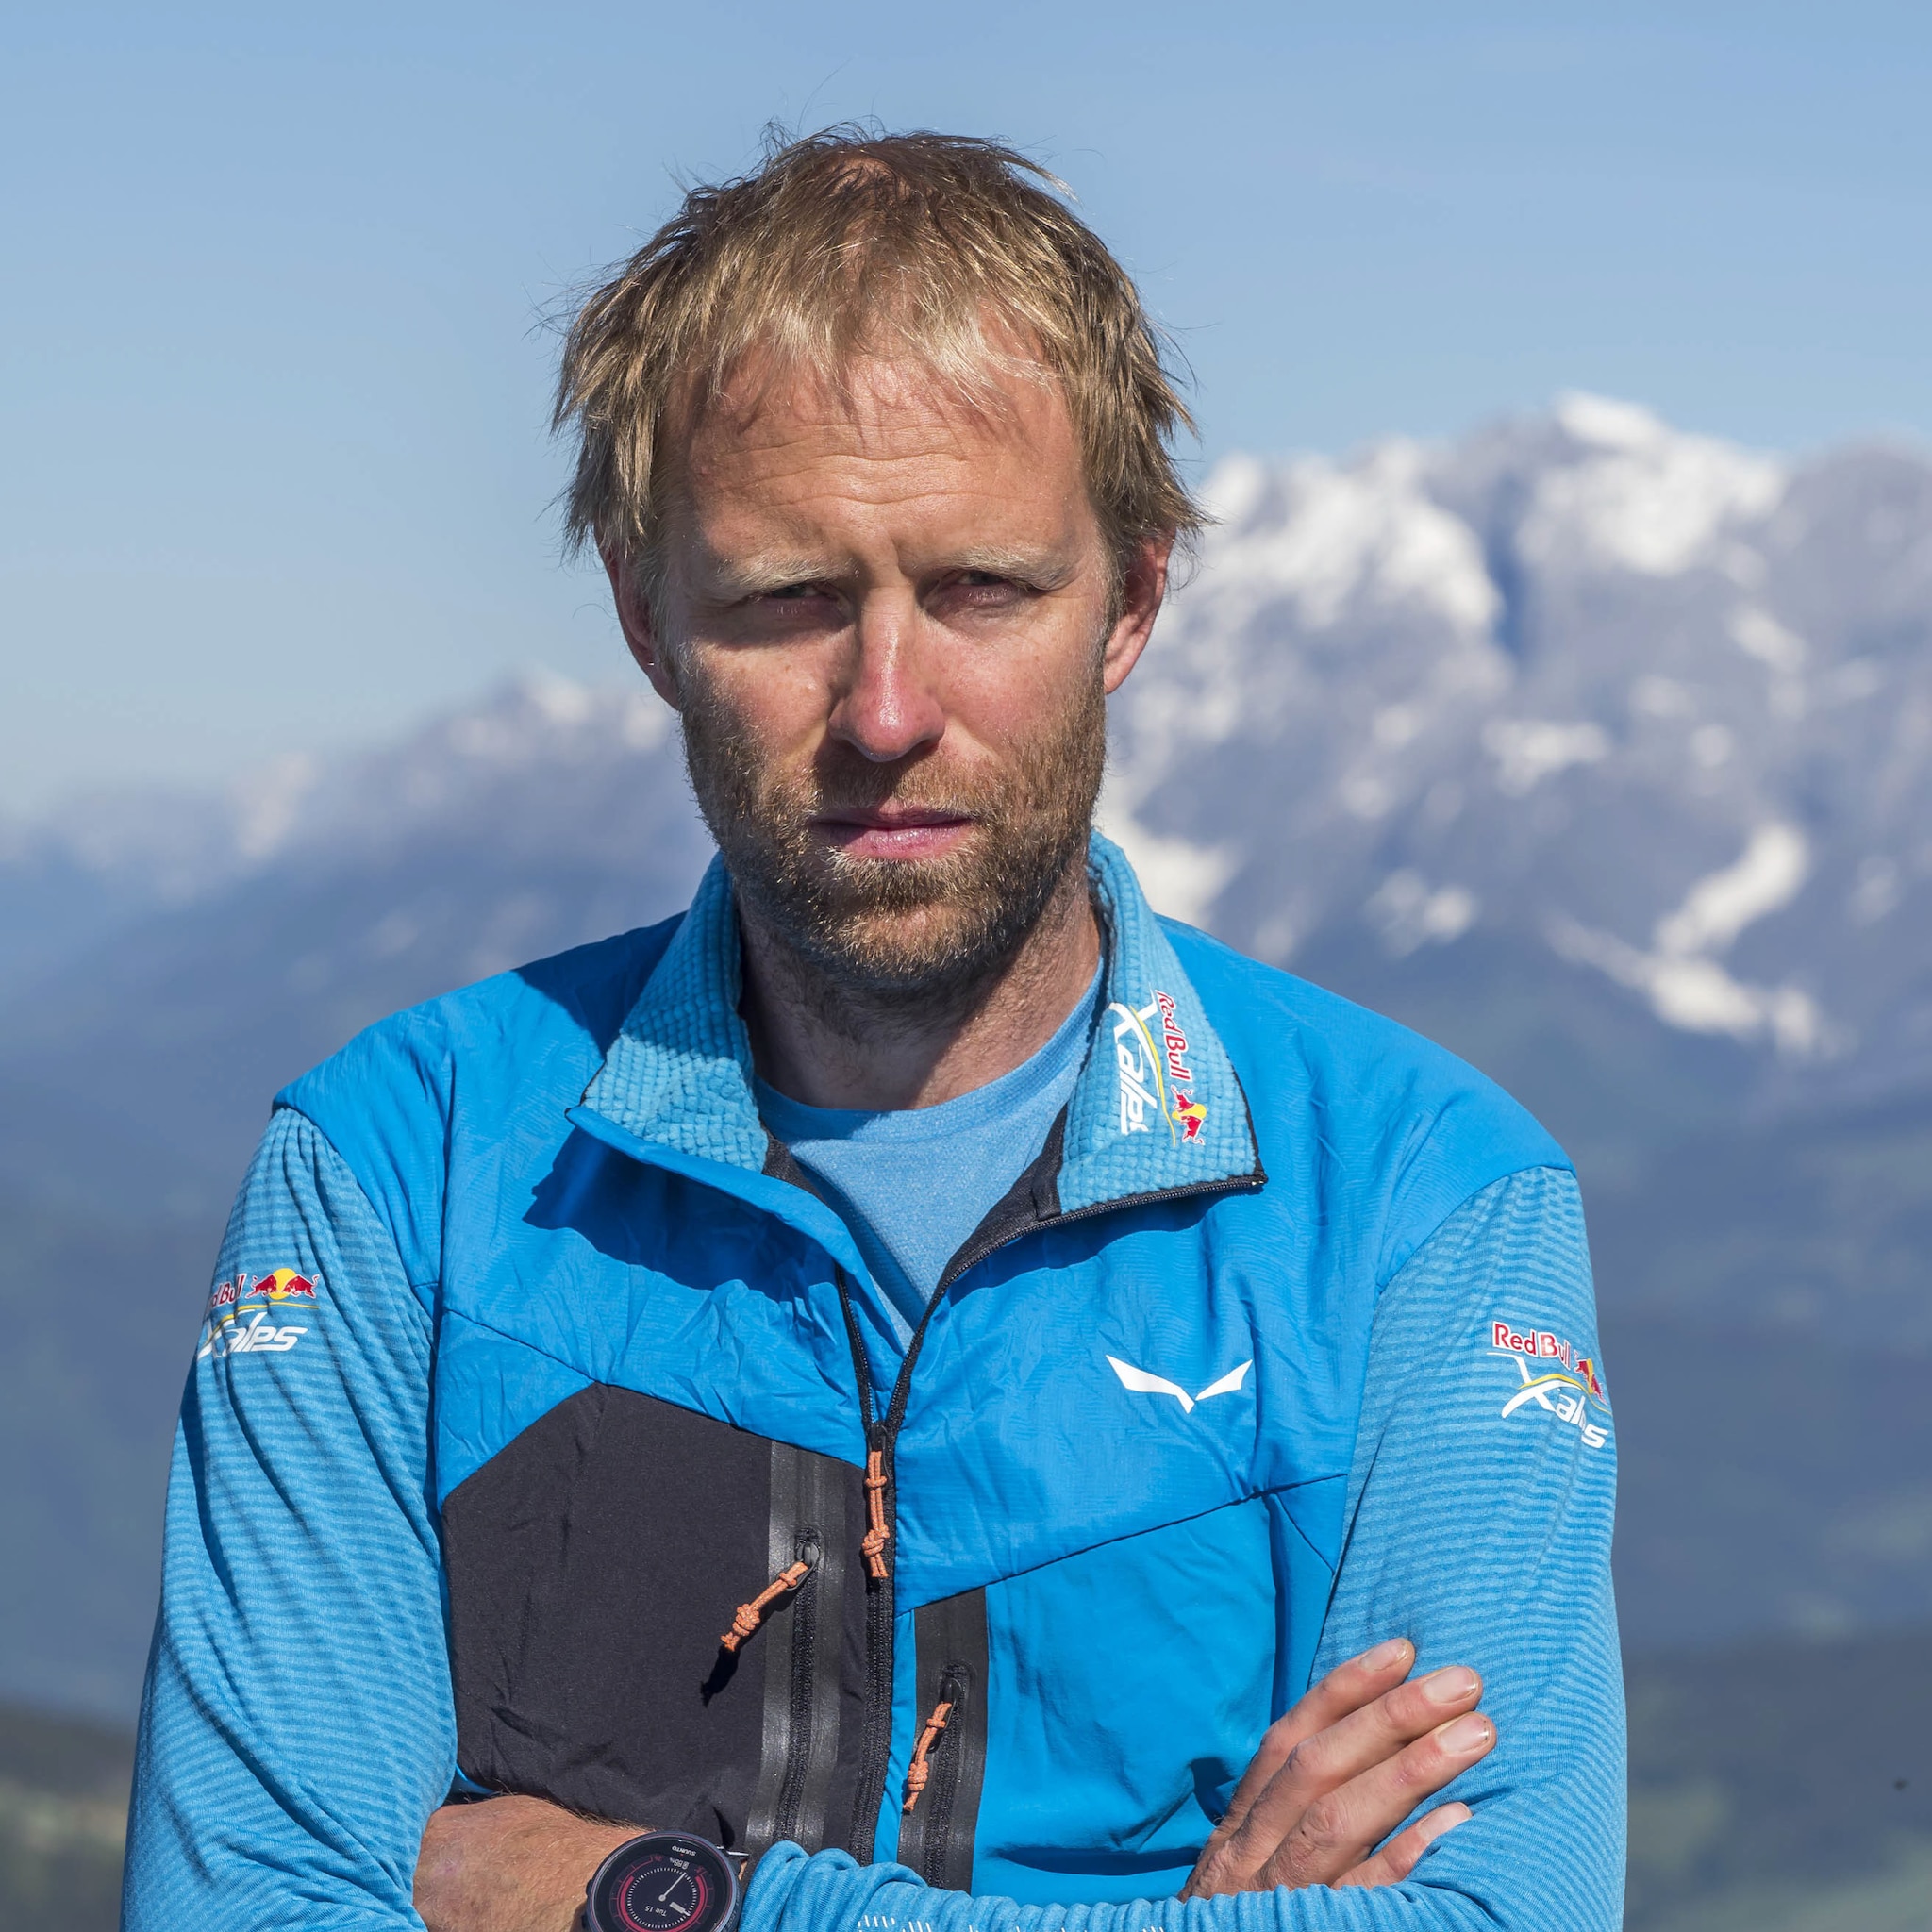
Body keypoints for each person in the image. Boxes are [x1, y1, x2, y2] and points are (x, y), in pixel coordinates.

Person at [121, 129, 1623, 1932]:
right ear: (645, 616)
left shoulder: (1426, 1207)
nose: (889, 707)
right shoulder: (390, 1174)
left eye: (984, 588)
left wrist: (645, 1902)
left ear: (1131, 602)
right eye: (787, 599)